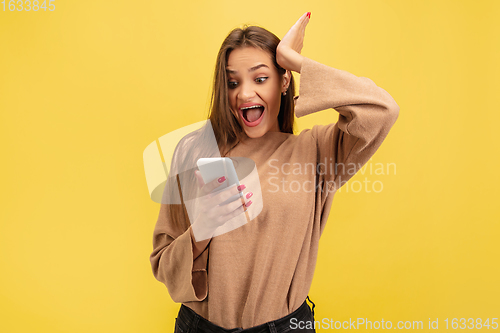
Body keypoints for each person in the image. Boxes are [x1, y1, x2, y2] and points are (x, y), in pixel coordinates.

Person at [150, 12, 400, 333]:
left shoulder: (317, 152)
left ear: (283, 82)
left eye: (260, 78)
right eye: (232, 82)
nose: (243, 93)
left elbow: (382, 109)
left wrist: (293, 60)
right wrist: (202, 230)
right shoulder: (194, 149)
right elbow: (163, 263)